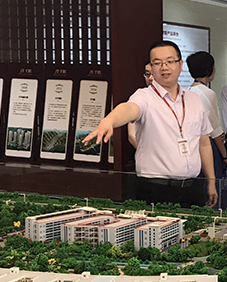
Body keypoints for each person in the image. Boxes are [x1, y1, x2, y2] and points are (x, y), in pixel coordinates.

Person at [83, 40, 217, 208]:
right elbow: (129, 108)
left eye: (169, 61)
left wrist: (211, 181)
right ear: (151, 69)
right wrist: (109, 120)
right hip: (156, 189)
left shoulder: (194, 99)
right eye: (157, 63)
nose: (164, 67)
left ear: (180, 65)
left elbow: (204, 143)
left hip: (193, 188)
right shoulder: (144, 96)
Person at [186, 51, 227, 208]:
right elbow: (215, 131)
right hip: (209, 146)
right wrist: (225, 157)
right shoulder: (208, 93)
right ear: (210, 70)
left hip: (192, 146)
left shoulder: (186, 92)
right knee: (214, 186)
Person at [127, 62, 153, 149]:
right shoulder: (140, 96)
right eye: (147, 74)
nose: (151, 78)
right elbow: (132, 135)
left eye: (154, 74)